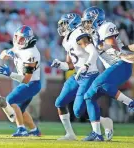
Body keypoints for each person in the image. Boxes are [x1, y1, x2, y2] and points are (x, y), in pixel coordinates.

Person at [51, 13, 113, 141]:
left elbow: (93, 52)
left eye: (64, 24)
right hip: (77, 75)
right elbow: (70, 65)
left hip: (89, 74)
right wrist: (59, 64)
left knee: (78, 111)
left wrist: (86, 65)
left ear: (72, 23)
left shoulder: (78, 33)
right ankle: (70, 134)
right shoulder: (66, 40)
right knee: (60, 102)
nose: (62, 27)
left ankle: (103, 124)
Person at [82, 6, 134, 141]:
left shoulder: (106, 26)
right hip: (112, 68)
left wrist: (102, 45)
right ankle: (97, 133)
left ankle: (130, 103)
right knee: (89, 96)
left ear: (96, 19)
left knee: (99, 83)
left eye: (88, 21)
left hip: (121, 64)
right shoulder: (94, 33)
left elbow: (113, 44)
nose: (86, 24)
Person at [0, 25, 41, 137]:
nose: (18, 40)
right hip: (28, 83)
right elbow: (2, 55)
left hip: (31, 84)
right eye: (16, 37)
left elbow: (26, 79)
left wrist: (10, 74)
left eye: (21, 38)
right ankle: (34, 130)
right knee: (20, 109)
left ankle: (21, 129)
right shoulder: (19, 47)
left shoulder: (31, 54)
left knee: (10, 101)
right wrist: (7, 53)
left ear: (28, 39)